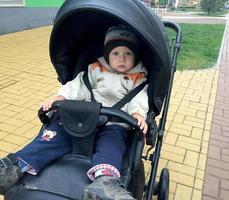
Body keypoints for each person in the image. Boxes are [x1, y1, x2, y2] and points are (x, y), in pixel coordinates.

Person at [0, 24, 148, 200]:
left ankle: (105, 184)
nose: (121, 58)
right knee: (53, 136)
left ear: (135, 56)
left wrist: (138, 114)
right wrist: (61, 97)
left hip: (114, 123)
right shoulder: (95, 70)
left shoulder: (138, 78)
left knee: (112, 146)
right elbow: (77, 86)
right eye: (116, 53)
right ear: (108, 55)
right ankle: (15, 166)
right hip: (82, 118)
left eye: (128, 54)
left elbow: (139, 98)